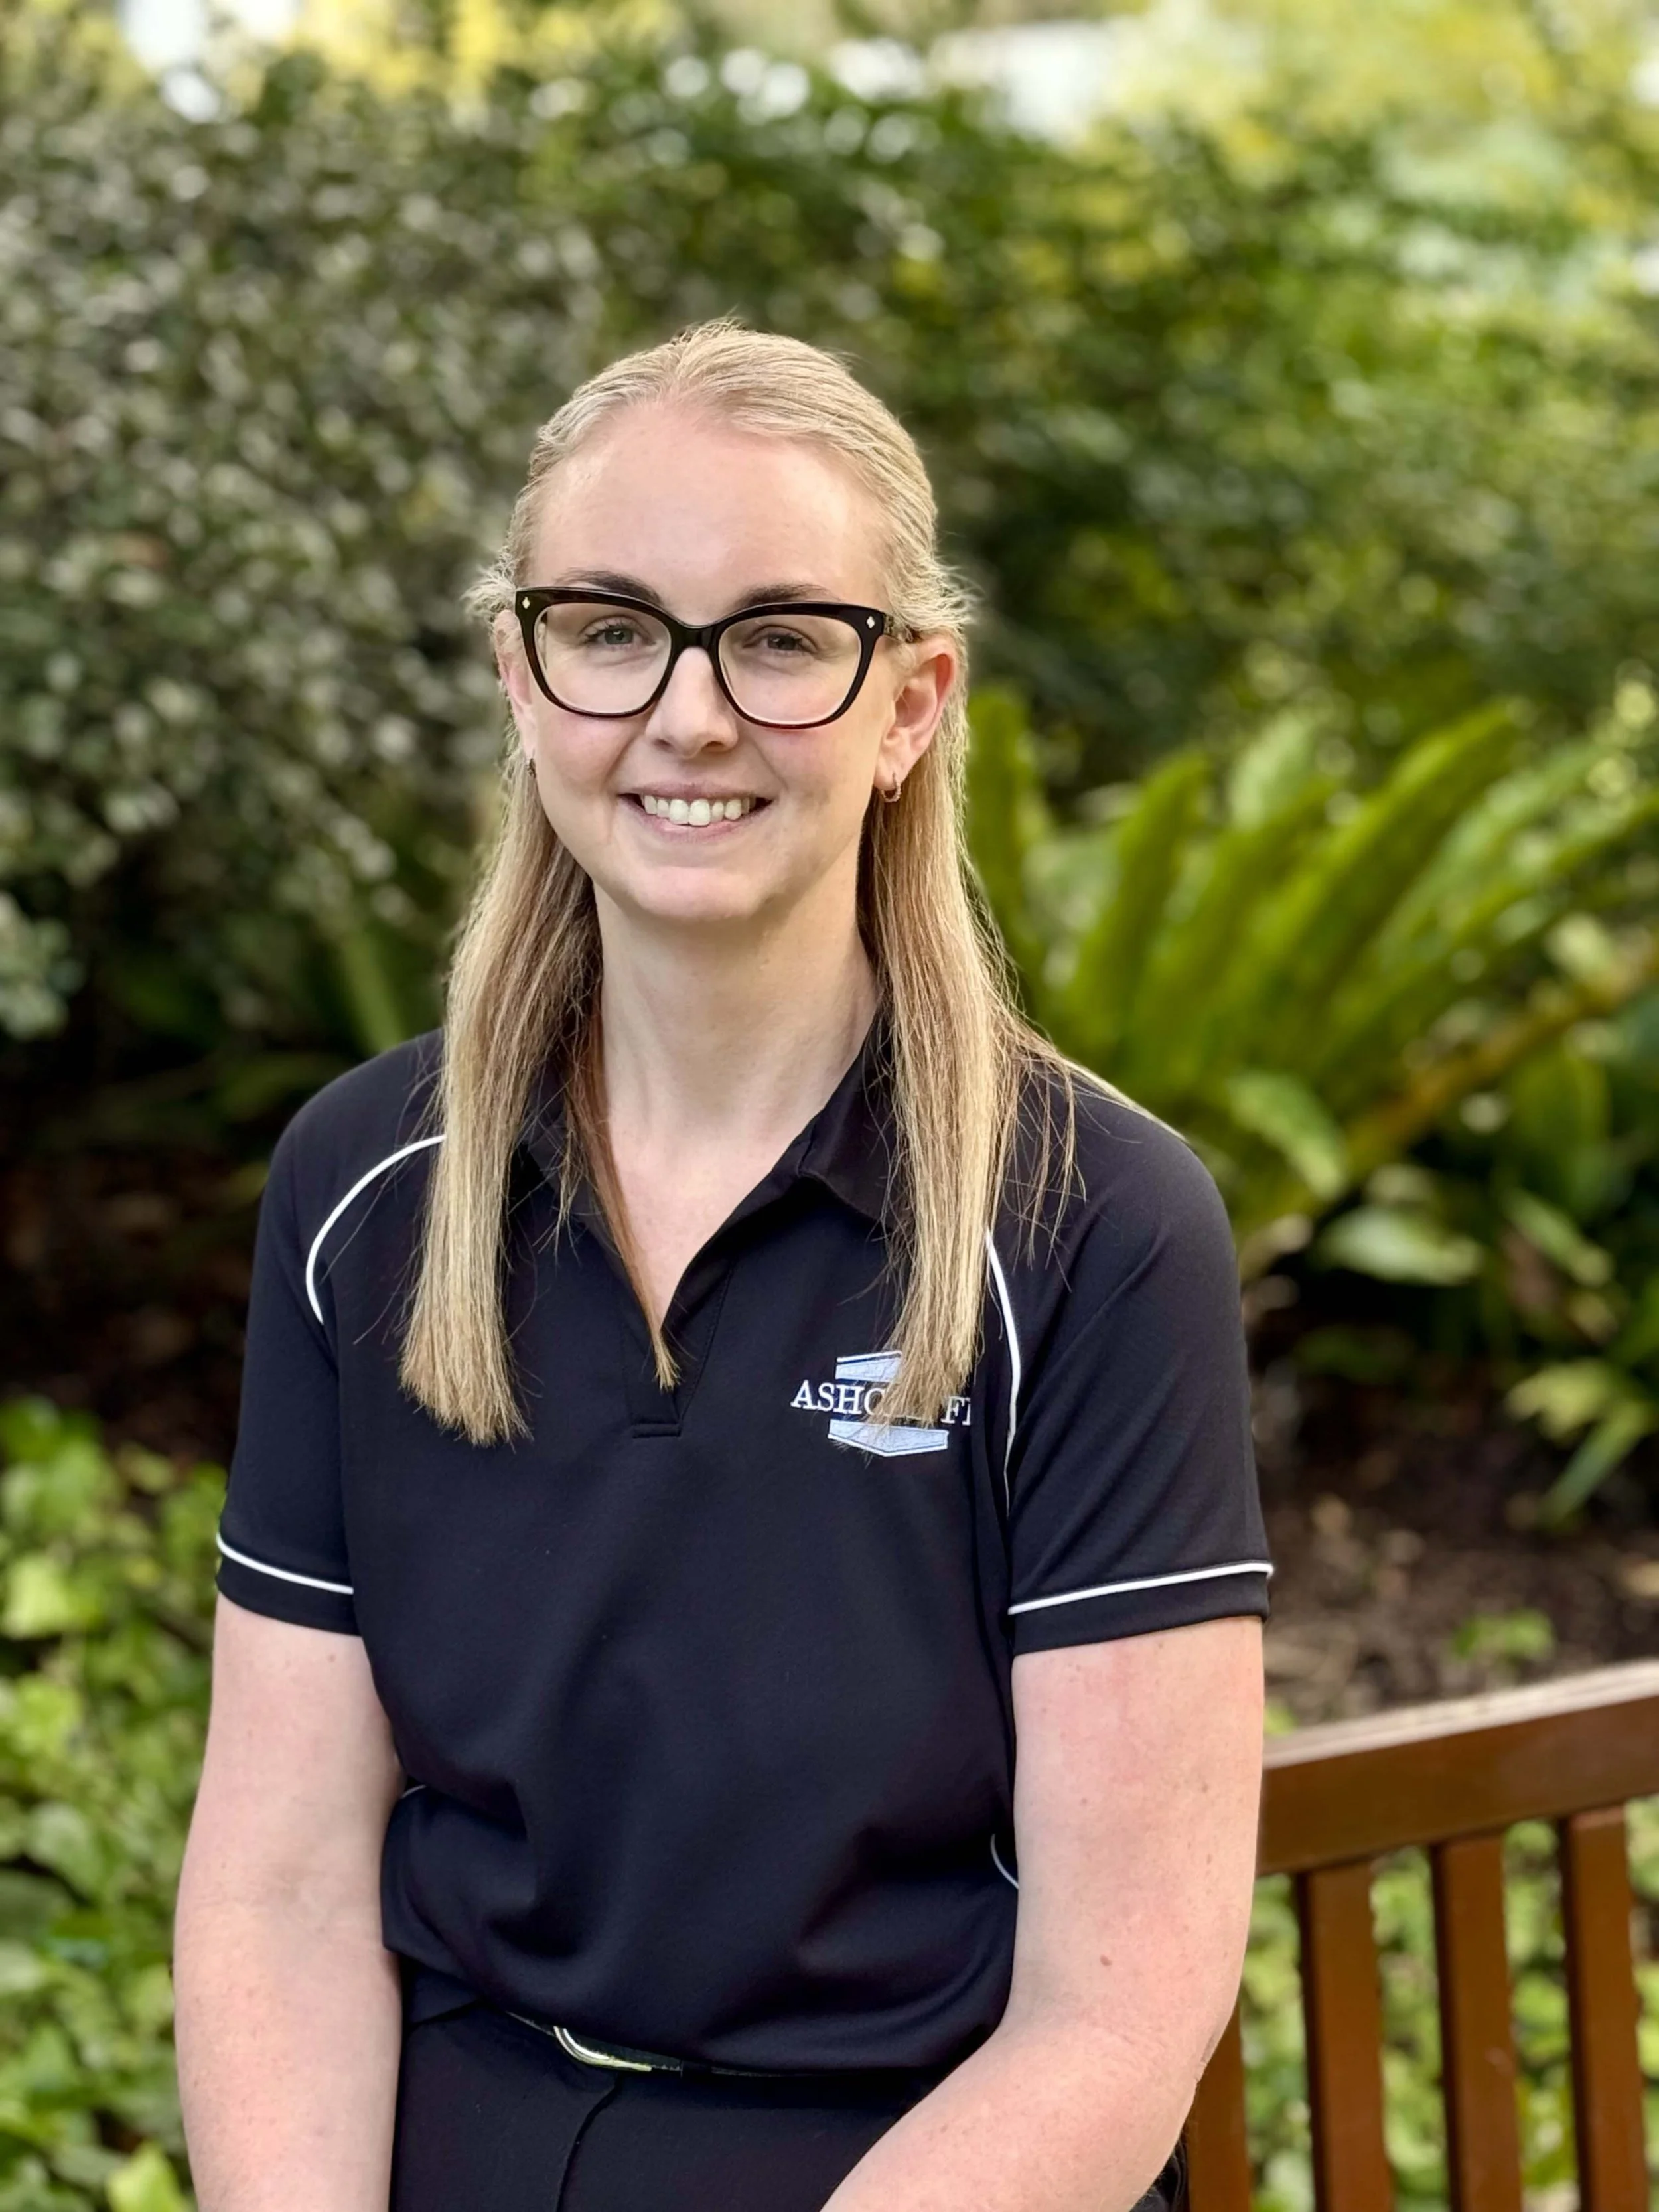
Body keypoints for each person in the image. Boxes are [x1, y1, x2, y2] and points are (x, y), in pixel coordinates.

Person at [172, 318, 1269, 2212]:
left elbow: (1114, 2015)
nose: (687, 716)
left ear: (909, 702)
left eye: (778, 637)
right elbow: (278, 1887)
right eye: (612, 629)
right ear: (521, 677)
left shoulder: (1090, 1224)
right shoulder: (364, 1186)